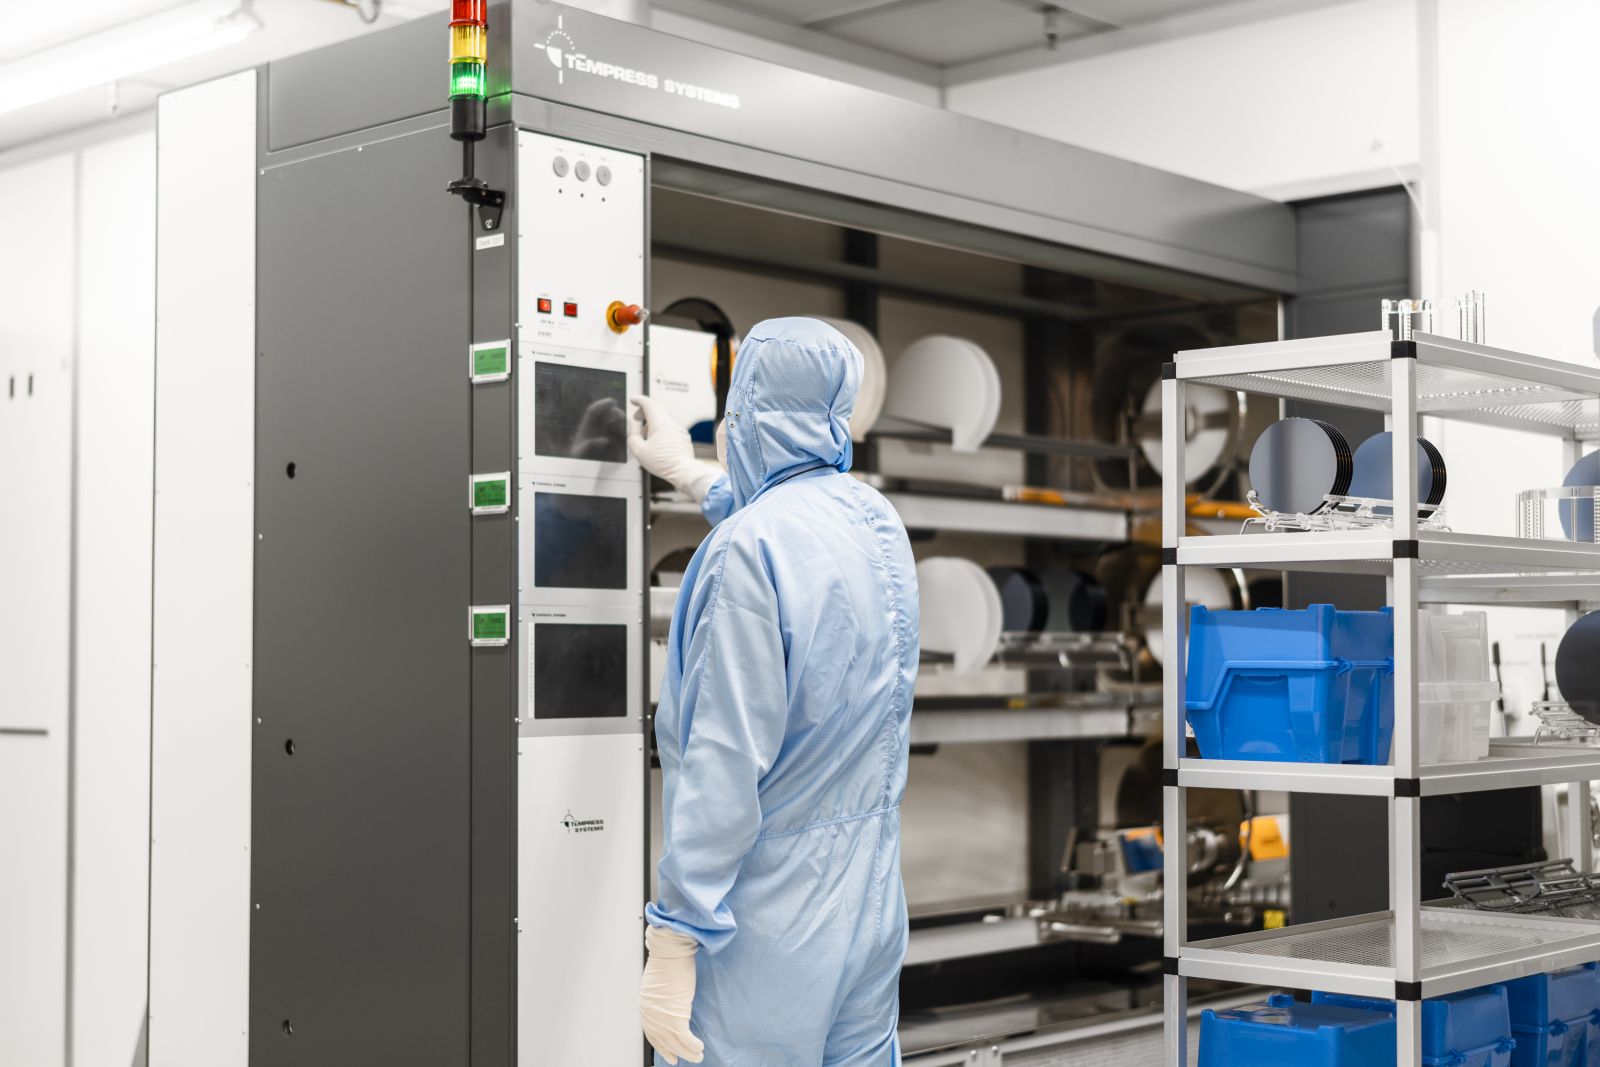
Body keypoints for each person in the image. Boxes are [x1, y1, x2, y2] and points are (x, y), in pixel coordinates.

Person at [629, 317, 919, 1066]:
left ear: (748, 413)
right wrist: (691, 474)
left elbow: (724, 762)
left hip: (765, 922)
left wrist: (676, 933)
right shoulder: (876, 522)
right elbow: (797, 533)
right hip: (868, 902)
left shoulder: (745, 551)